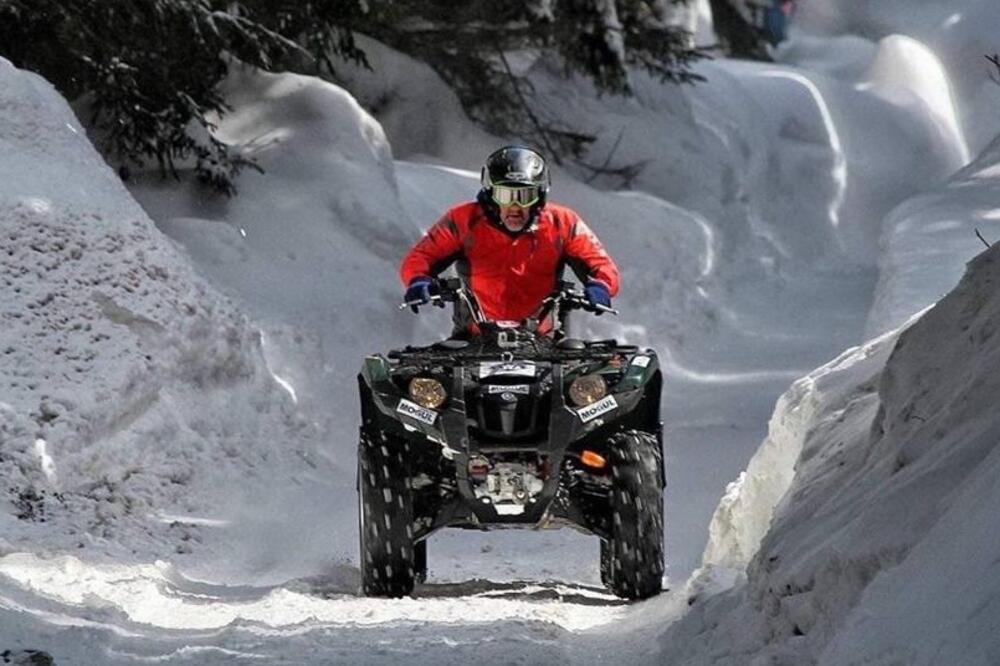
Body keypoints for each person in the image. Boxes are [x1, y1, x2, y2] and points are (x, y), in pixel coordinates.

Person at [399, 145, 620, 336]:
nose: (515, 207)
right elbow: (421, 256)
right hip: (473, 341)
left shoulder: (562, 222)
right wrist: (418, 280)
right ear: (490, 193)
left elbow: (601, 264)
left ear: (540, 195)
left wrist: (601, 286)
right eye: (505, 195)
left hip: (546, 344)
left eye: (525, 196)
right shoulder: (463, 220)